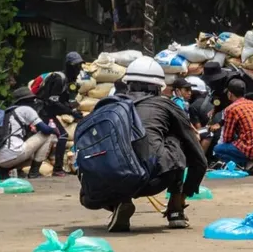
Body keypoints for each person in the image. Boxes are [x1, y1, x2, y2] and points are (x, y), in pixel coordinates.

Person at [83, 57, 208, 232]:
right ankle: (175, 208)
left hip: (99, 188)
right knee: (176, 138)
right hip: (152, 180)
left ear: (128, 83)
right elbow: (198, 158)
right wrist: (185, 192)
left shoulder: (108, 105)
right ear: (159, 86)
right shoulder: (166, 105)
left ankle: (119, 202)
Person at [0, 87, 58, 180]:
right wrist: (54, 130)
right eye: (32, 99)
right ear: (26, 100)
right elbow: (45, 130)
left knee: (24, 147)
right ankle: (34, 172)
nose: (34, 101)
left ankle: (1, 170)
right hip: (13, 155)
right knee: (47, 135)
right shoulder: (26, 109)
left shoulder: (7, 112)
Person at [212, 79, 253, 172]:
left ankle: (248, 164)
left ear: (230, 94)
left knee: (218, 149)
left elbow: (227, 137)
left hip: (252, 149)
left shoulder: (231, 109)